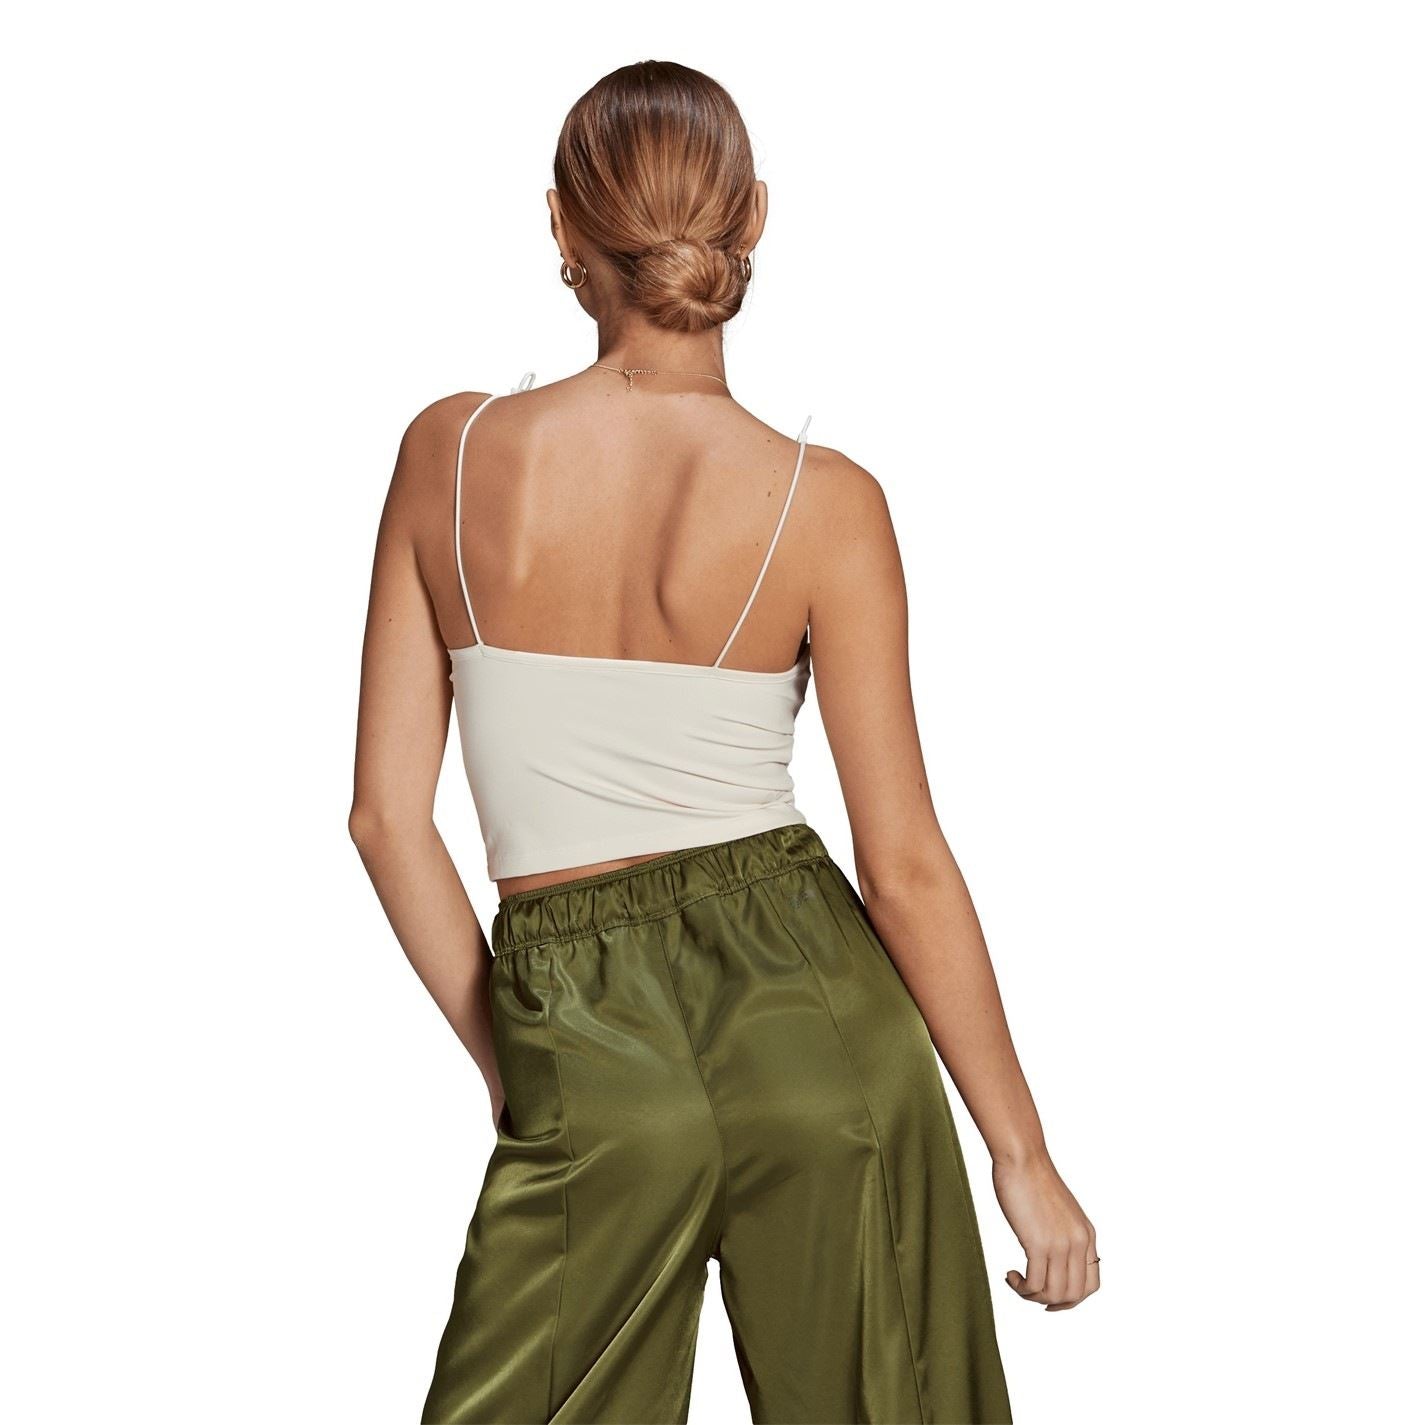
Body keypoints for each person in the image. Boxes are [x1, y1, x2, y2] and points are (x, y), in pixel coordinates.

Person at [350, 58, 1095, 1425]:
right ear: (754, 218)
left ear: (562, 227)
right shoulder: (828, 503)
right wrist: (1023, 1155)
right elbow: (903, 866)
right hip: (815, 1012)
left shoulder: (450, 456)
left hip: (580, 1018)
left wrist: (525, 1069)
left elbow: (387, 821)